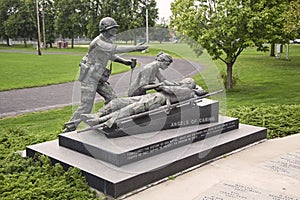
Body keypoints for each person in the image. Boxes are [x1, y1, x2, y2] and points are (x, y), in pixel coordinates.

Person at [63, 17, 148, 132]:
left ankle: (101, 121)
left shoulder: (107, 41)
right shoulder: (98, 42)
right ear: (105, 29)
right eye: (113, 29)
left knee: (112, 99)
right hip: (89, 77)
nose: (115, 31)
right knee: (86, 106)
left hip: (99, 77)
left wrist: (125, 62)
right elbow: (115, 49)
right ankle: (69, 128)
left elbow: (110, 55)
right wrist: (137, 48)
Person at [81, 78, 207, 128]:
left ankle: (101, 120)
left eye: (185, 80)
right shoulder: (186, 88)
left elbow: (166, 89)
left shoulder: (186, 90)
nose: (182, 80)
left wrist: (163, 85)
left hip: (157, 100)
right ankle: (98, 115)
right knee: (119, 101)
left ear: (189, 84)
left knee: (131, 108)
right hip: (153, 96)